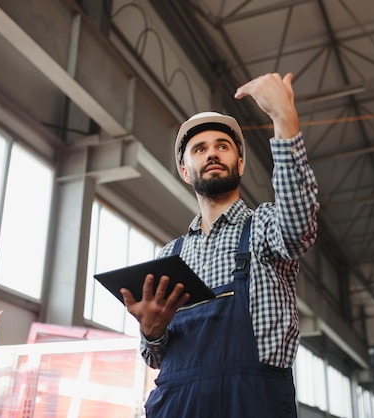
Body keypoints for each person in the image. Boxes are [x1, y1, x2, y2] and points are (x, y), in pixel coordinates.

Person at [121, 72, 319, 417]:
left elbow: (299, 225)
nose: (212, 153)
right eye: (200, 149)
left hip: (253, 402)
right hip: (177, 405)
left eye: (222, 146)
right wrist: (151, 331)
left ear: (240, 164)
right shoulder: (170, 256)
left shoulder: (265, 228)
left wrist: (284, 119)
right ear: (186, 171)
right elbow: (153, 357)